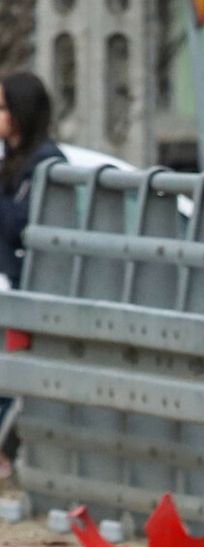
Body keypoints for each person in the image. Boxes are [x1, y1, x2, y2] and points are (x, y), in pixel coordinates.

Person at [0, 71, 65, 479]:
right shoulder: (12, 163)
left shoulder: (47, 164)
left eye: (3, 107)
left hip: (27, 291)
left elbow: (19, 226)